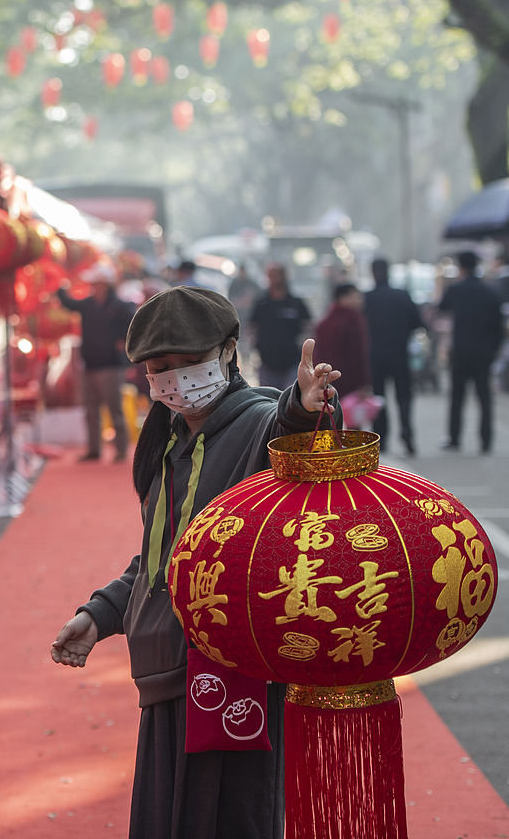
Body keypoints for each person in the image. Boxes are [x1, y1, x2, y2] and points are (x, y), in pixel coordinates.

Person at [50, 287, 341, 839]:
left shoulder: (256, 423)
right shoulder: (166, 441)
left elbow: (291, 436)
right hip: (165, 667)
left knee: (233, 819)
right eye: (160, 368)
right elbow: (162, 555)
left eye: (190, 364)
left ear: (229, 351)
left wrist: (304, 407)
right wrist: (103, 612)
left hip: (231, 668)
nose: (175, 379)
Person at [57, 263, 136, 461]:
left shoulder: (119, 306)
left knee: (114, 408)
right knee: (91, 410)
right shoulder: (87, 304)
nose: (93, 287)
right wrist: (60, 285)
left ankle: (120, 449)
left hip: (110, 365)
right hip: (90, 364)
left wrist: (123, 341)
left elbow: (134, 323)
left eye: (96, 283)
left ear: (105, 284)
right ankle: (94, 449)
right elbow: (68, 303)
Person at [437, 250, 504, 453]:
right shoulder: (490, 291)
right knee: (484, 396)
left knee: (457, 395)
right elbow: (499, 325)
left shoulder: (456, 289)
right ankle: (486, 440)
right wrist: (494, 349)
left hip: (461, 350)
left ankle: (454, 438)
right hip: (484, 352)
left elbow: (441, 307)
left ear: (461, 267)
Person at [364, 258, 424, 454]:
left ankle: (381, 438)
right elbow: (417, 323)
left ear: (372, 272)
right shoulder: (402, 296)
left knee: (378, 397)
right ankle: (406, 432)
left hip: (375, 355)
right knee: (404, 396)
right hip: (400, 353)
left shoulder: (367, 298)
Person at [314, 282, 373, 426]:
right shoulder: (353, 320)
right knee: (353, 427)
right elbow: (358, 354)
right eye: (355, 296)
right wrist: (363, 383)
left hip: (327, 381)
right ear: (342, 298)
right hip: (350, 381)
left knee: (330, 423)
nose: (360, 299)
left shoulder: (324, 321)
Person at [249, 262, 311, 388]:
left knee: (291, 399)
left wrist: (302, 343)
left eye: (276, 275)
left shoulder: (295, 303)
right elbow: (252, 326)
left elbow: (307, 325)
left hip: (292, 361)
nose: (274, 278)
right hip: (267, 361)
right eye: (270, 275)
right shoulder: (262, 303)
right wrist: (254, 345)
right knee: (270, 399)